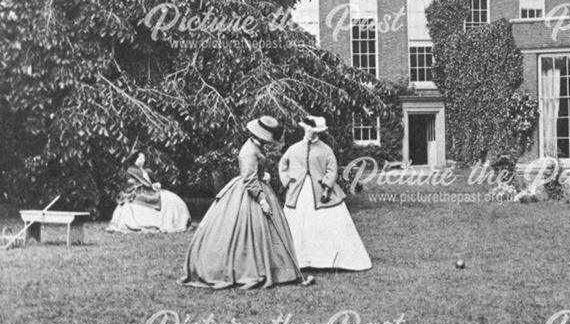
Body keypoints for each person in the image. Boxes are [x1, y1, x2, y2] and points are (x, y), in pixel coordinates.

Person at [180, 116, 313, 289]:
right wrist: (262, 200)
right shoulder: (249, 150)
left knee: (266, 233)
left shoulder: (256, 145)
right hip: (249, 194)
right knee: (247, 232)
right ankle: (250, 270)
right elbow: (249, 181)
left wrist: (263, 176)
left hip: (257, 186)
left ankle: (276, 269)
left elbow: (254, 173)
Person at [279, 116, 372, 271]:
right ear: (305, 129)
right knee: (298, 224)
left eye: (317, 132)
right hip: (299, 193)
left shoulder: (325, 149)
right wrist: (288, 180)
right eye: (311, 131)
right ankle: (300, 260)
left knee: (328, 223)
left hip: (322, 191)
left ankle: (328, 260)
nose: (313, 134)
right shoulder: (294, 149)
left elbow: (332, 169)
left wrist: (327, 184)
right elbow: (283, 164)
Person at [108, 151, 191, 233]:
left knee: (169, 197)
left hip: (150, 189)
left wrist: (157, 184)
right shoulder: (132, 170)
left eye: (143, 158)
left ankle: (179, 221)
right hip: (139, 191)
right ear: (135, 159)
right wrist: (150, 186)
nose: (142, 160)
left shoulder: (147, 171)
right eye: (140, 158)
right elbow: (137, 183)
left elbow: (154, 181)